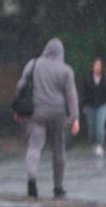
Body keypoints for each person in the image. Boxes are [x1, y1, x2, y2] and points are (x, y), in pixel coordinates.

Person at [16, 38, 79, 198]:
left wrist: (18, 109)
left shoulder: (33, 64)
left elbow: (20, 86)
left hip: (37, 112)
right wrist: (75, 117)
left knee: (34, 147)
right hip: (58, 114)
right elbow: (71, 96)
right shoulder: (66, 70)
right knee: (58, 150)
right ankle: (58, 187)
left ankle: (32, 179)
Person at [81, 57, 106, 157]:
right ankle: (94, 143)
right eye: (96, 65)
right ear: (93, 66)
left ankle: (99, 145)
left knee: (100, 124)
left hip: (103, 104)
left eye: (99, 65)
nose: (97, 67)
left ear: (102, 67)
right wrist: (84, 105)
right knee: (92, 128)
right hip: (90, 105)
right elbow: (84, 93)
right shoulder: (88, 78)